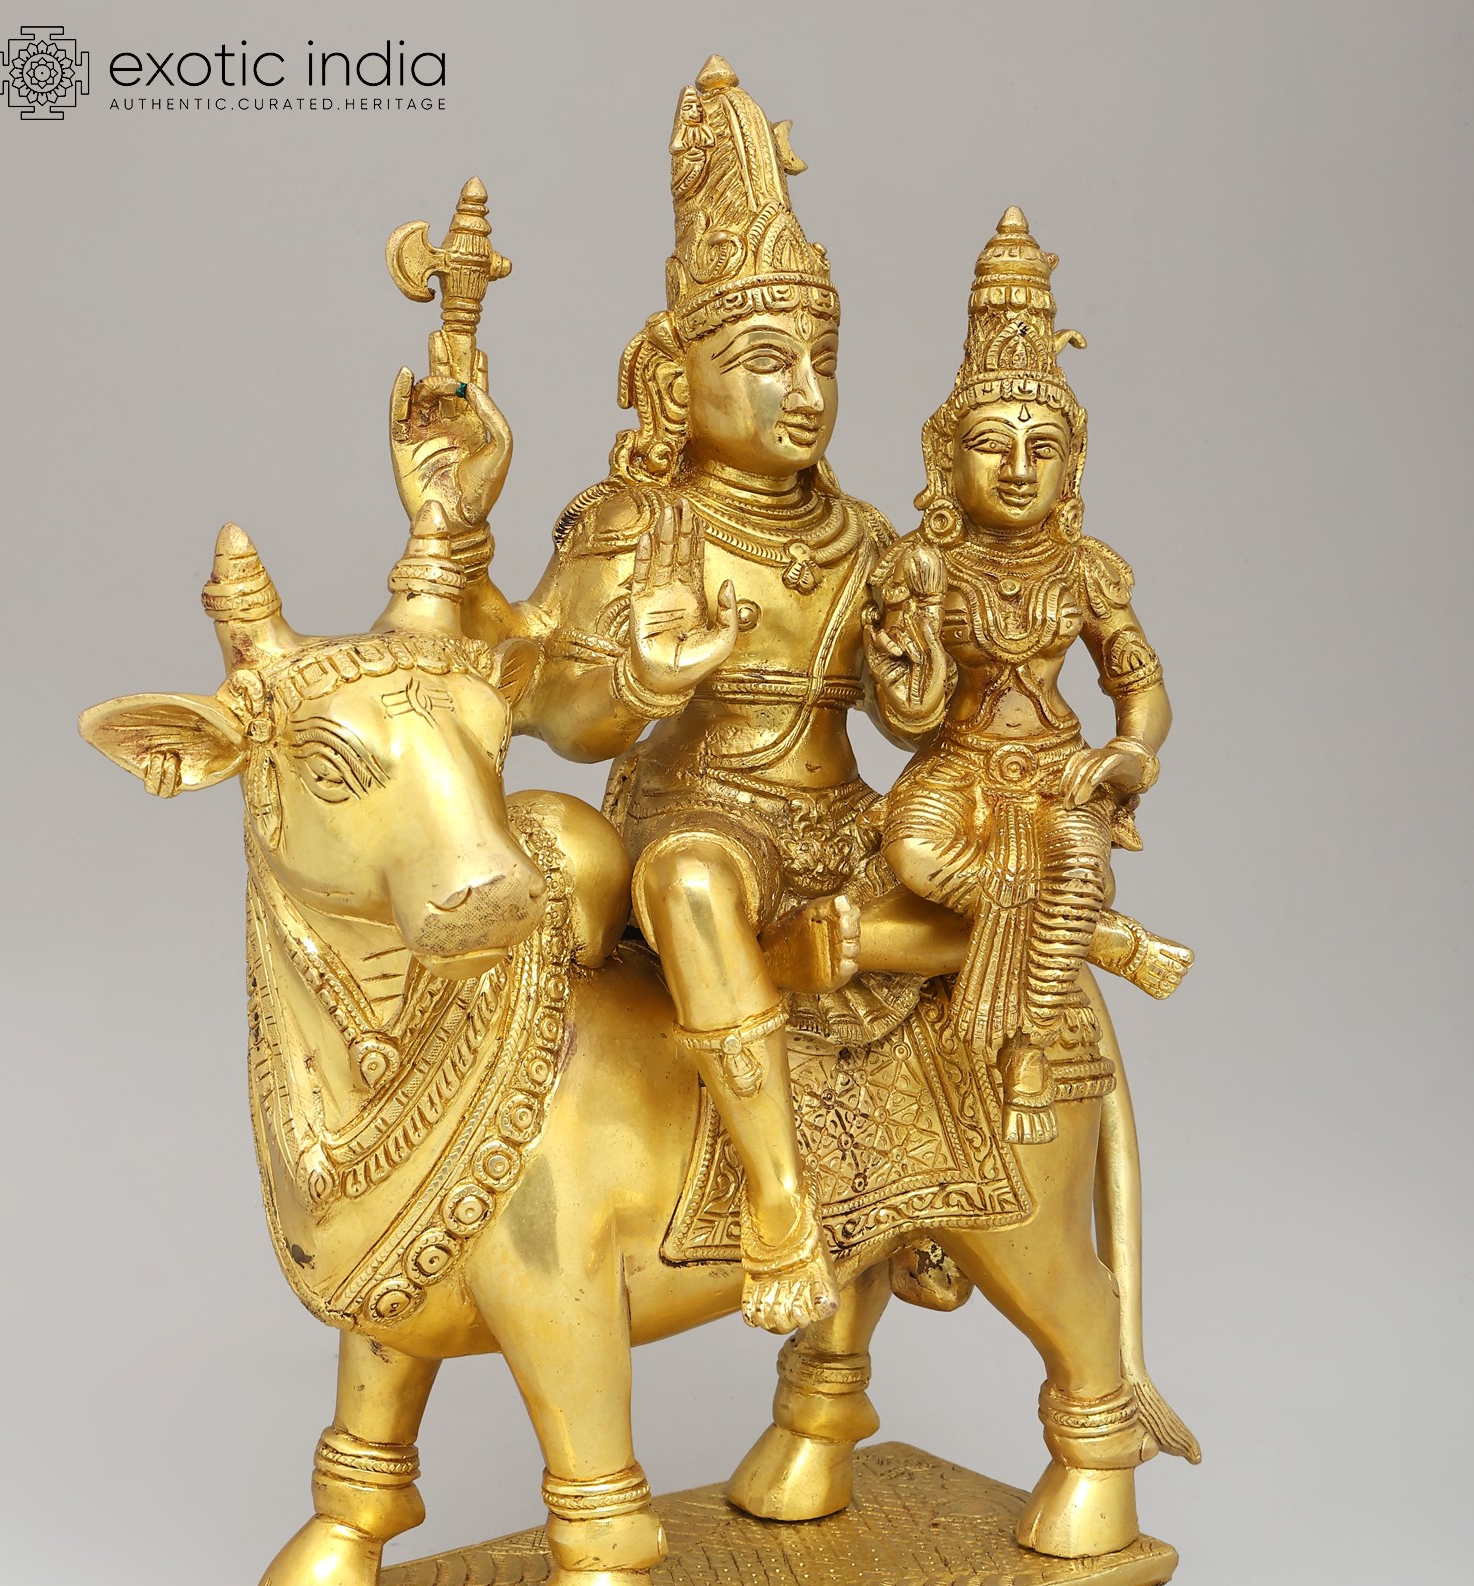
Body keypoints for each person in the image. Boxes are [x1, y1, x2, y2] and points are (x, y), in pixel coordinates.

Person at [386, 57, 945, 1330]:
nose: (809, 392)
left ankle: (916, 1206)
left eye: (824, 359)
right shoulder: (640, 525)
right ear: (677, 380)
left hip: (842, 822)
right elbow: (538, 701)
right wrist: (632, 670)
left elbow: (906, 720)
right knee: (690, 884)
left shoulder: (863, 536)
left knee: (993, 879)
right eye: (768, 360)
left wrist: (917, 660)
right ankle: (781, 1201)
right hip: (703, 820)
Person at [872, 208, 1184, 1143]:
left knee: (1079, 857)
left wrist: (1130, 756)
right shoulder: (924, 563)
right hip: (958, 763)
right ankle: (1103, 940)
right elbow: (902, 715)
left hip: (1059, 770)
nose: (1016, 469)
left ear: (1072, 465)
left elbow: (1141, 688)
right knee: (911, 854)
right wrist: (907, 645)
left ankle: (1028, 1046)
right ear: (945, 455)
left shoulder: (1085, 570)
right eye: (991, 446)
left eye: (1041, 449)